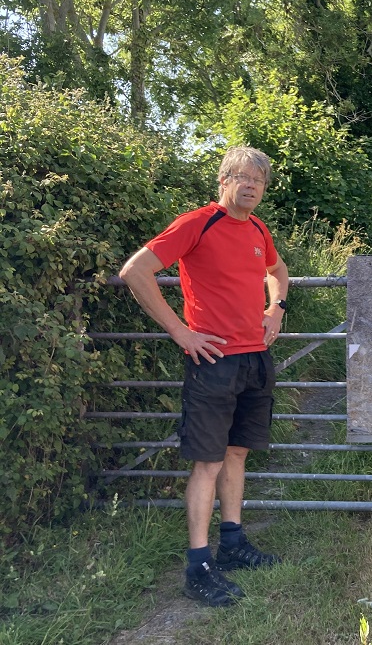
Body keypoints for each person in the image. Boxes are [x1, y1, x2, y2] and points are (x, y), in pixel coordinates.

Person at [120, 146, 289, 607]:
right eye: (243, 178)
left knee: (236, 455)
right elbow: (136, 271)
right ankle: (199, 566)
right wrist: (180, 331)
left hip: (255, 359)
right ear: (224, 181)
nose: (252, 186)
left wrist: (276, 307)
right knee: (208, 463)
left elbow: (279, 271)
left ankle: (232, 545)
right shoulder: (199, 222)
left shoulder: (257, 229)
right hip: (212, 362)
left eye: (259, 180)